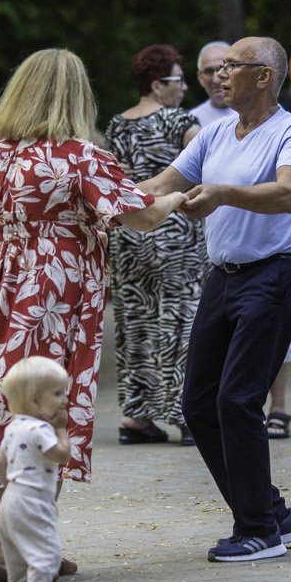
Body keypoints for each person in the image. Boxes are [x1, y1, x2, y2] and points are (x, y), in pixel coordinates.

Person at [0, 48, 187, 582]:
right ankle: (4, 551)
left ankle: (27, 542)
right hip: (55, 297)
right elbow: (142, 216)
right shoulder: (80, 156)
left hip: (0, 295)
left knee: (15, 411)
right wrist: (181, 197)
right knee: (48, 412)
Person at [137, 36, 291, 562]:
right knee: (198, 404)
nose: (219, 75)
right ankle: (272, 510)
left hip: (273, 276)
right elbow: (162, 183)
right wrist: (100, 194)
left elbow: (286, 194)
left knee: (237, 400)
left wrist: (221, 193)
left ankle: (258, 530)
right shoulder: (215, 132)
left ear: (263, 75)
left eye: (231, 66)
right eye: (219, 67)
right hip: (224, 278)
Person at [104, 44, 206, 446]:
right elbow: (206, 165)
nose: (184, 88)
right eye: (177, 80)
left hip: (129, 234)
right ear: (156, 84)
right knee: (181, 320)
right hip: (174, 231)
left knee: (135, 319)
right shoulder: (181, 121)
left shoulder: (116, 125)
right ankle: (185, 415)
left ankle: (136, 416)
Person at [0, 356, 71, 582]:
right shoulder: (41, 429)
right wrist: (61, 429)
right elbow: (62, 455)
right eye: (58, 394)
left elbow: (0, 462)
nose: (65, 400)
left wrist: (10, 485)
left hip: (11, 499)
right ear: (34, 400)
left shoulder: (13, 427)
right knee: (48, 554)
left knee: (15, 560)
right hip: (33, 500)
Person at [189, 40, 234, 128]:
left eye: (222, 69)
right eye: (208, 71)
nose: (216, 80)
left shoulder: (255, 115)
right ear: (200, 78)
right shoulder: (192, 121)